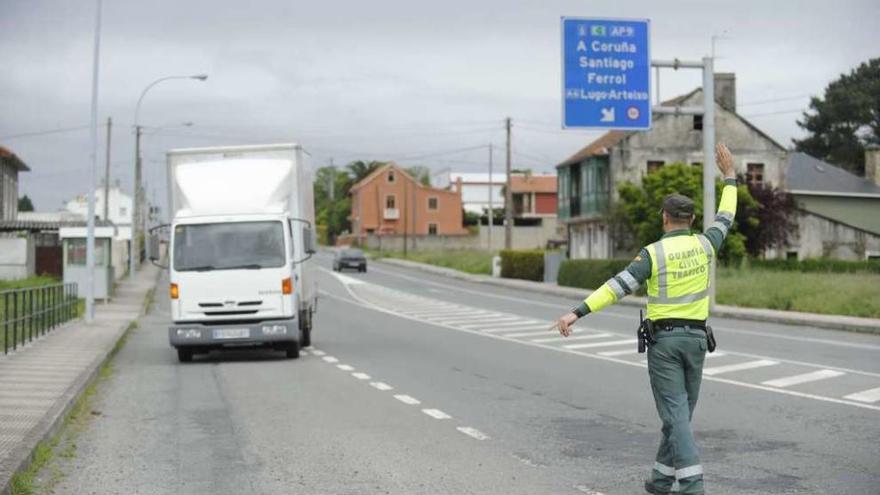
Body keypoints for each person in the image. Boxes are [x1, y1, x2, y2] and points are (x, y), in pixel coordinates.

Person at [554, 143, 738, 495]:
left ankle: (693, 484)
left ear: (664, 218)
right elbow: (726, 217)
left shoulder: (652, 254)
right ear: (693, 221)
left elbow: (616, 287)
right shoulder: (705, 244)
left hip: (666, 344)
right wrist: (729, 178)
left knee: (675, 414)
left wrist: (576, 312)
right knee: (680, 414)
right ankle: (660, 478)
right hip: (698, 342)